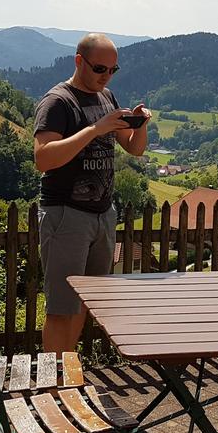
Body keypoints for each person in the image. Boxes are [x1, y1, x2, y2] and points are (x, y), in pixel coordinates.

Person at [33, 33, 150, 352]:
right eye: (100, 68)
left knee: (86, 302)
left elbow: (133, 149)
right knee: (61, 309)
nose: (106, 76)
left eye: (113, 70)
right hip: (66, 215)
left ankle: (67, 374)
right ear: (78, 61)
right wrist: (95, 130)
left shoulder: (107, 97)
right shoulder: (58, 102)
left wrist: (141, 126)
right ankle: (52, 383)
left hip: (102, 215)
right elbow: (43, 158)